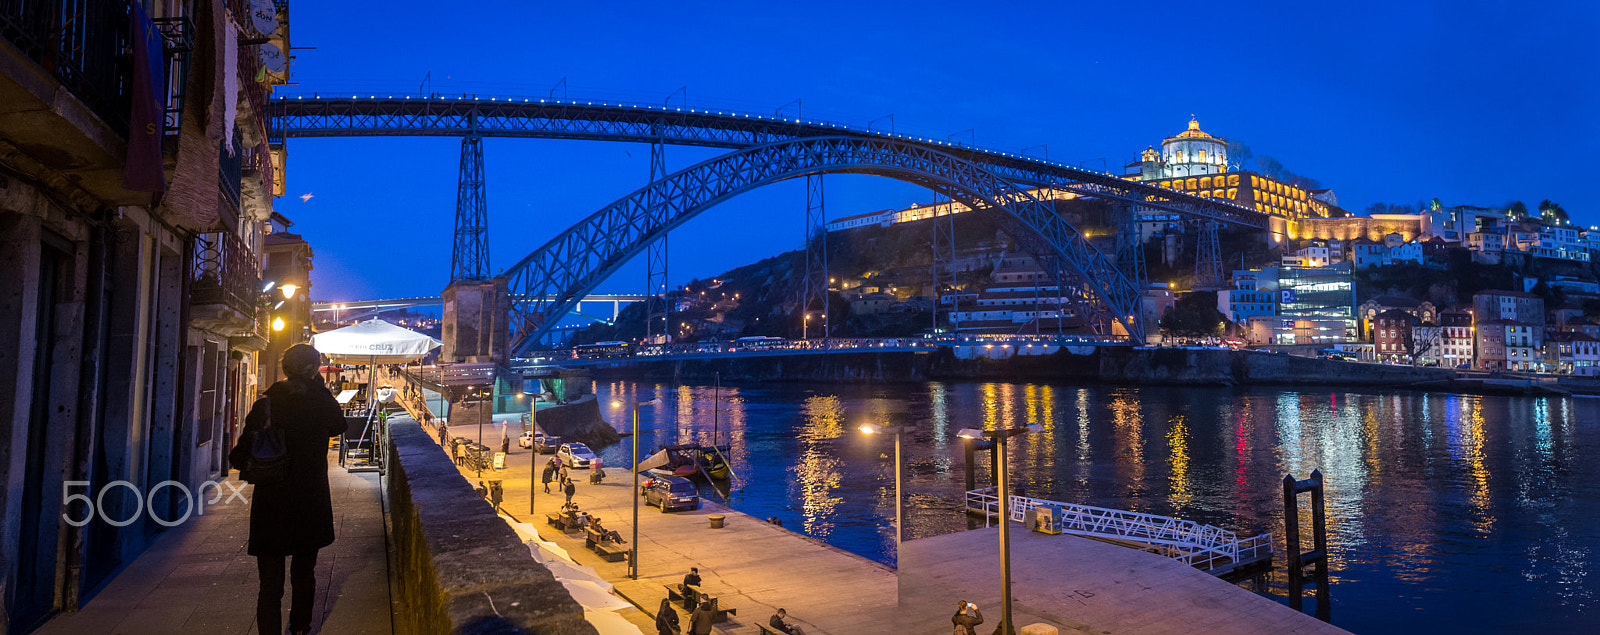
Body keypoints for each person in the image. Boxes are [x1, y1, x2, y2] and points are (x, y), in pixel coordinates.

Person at [229, 344, 347, 635]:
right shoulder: (320, 399)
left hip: (272, 503)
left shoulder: (267, 402)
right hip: (309, 501)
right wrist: (320, 389)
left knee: (270, 583)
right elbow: (339, 426)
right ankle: (300, 629)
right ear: (311, 369)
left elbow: (236, 457)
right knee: (304, 575)